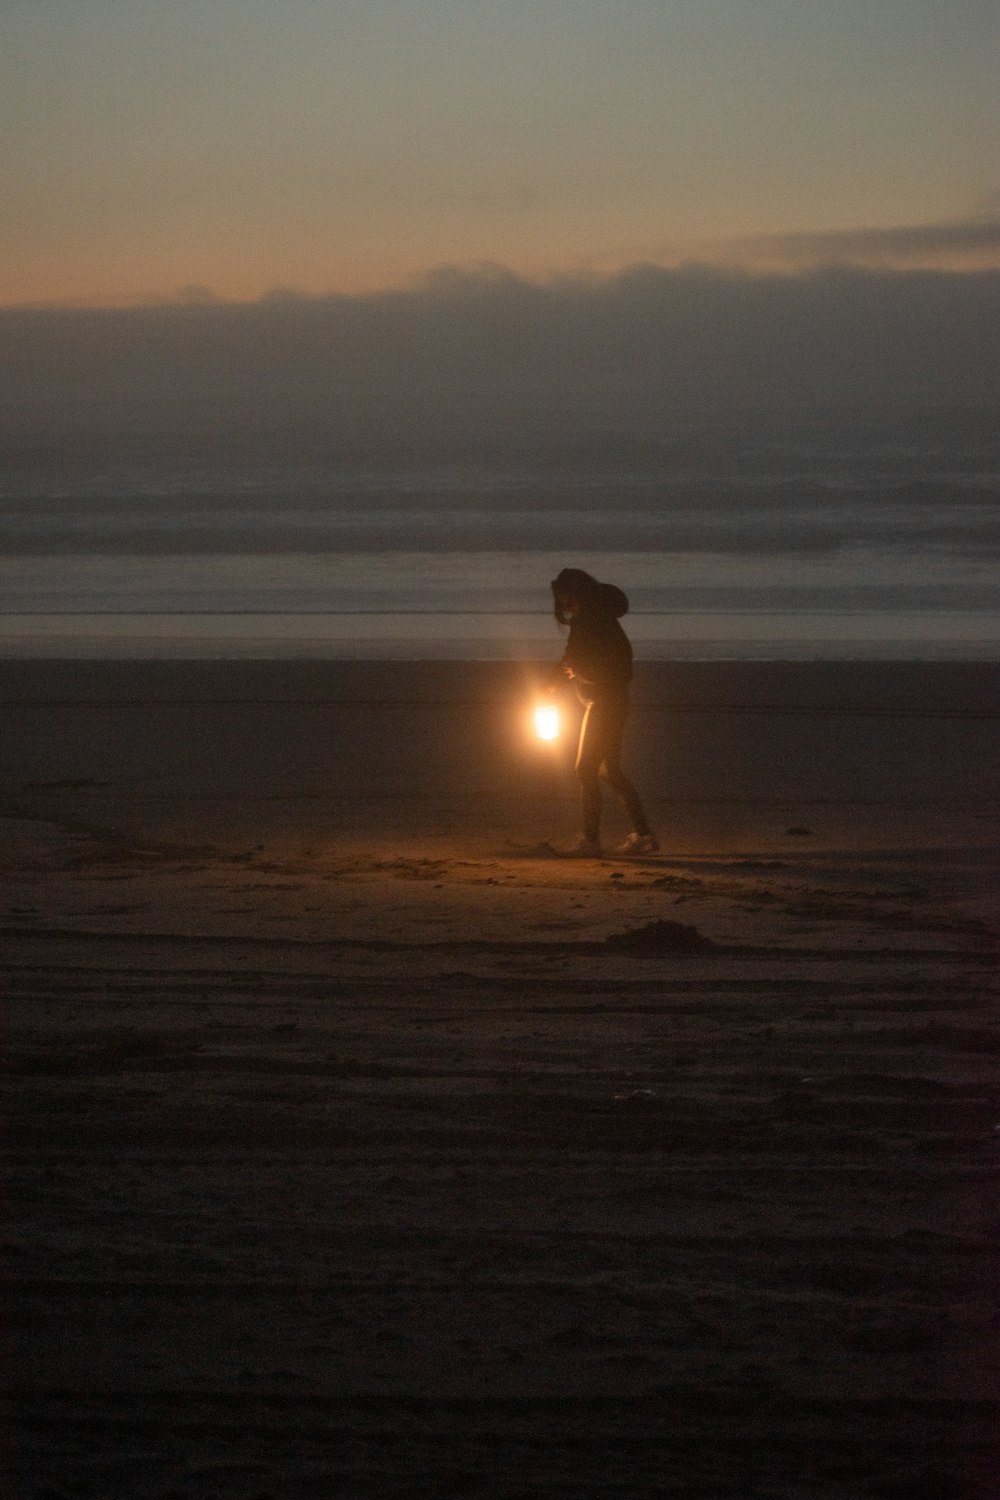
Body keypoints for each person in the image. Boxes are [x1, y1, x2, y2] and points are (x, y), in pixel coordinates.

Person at [548, 567, 659, 857]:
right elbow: (570, 660)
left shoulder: (597, 622)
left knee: (585, 768)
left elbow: (618, 670)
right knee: (609, 771)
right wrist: (552, 685)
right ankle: (643, 836)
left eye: (566, 599)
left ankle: (590, 840)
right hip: (605, 702)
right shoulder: (588, 621)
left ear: (577, 594)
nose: (563, 606)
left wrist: (578, 674)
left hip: (606, 702)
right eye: (561, 601)